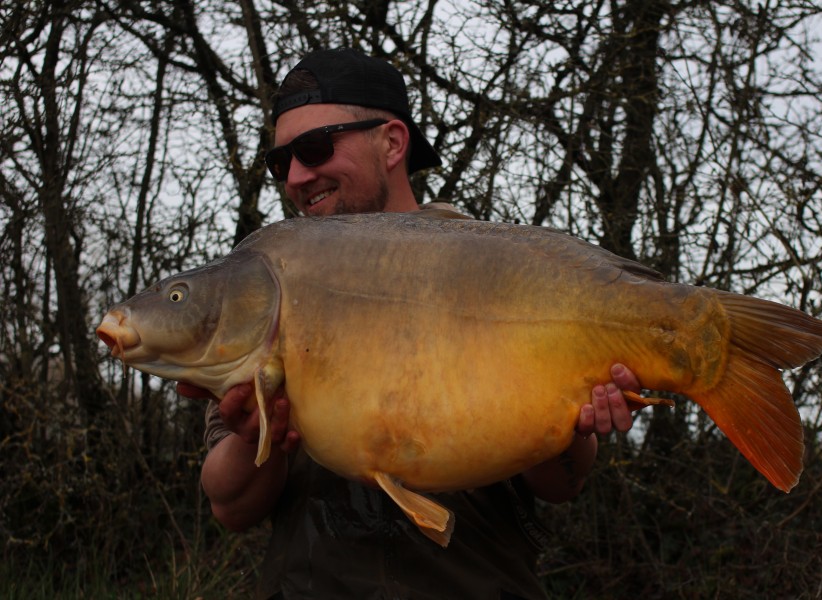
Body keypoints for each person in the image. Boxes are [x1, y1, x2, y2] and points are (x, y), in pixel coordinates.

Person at [179, 48, 644, 600]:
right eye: (281, 163)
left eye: (314, 147)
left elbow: (562, 485)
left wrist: (578, 423)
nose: (297, 176)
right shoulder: (271, 286)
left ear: (393, 142)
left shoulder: (497, 265)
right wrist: (258, 436)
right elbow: (229, 506)